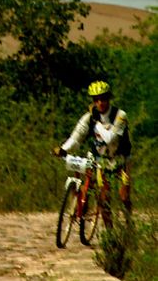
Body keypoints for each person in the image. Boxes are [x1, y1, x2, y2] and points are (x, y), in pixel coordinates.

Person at [54, 80, 132, 223]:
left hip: (121, 158)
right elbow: (76, 137)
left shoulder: (120, 115)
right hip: (101, 158)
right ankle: (110, 235)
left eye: (103, 98)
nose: (100, 102)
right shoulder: (88, 118)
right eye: (96, 99)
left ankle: (129, 226)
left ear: (109, 98)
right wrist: (63, 149)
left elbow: (109, 138)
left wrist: (97, 123)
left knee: (124, 197)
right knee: (104, 198)